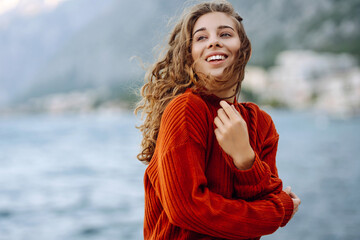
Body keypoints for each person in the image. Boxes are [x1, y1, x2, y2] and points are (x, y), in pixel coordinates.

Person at [135, 1, 301, 239]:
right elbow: (186, 210)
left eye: (225, 34)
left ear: (243, 48)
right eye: (201, 38)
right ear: (188, 55)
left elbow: (268, 198)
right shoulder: (185, 109)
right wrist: (279, 212)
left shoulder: (261, 123)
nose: (214, 41)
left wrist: (245, 159)